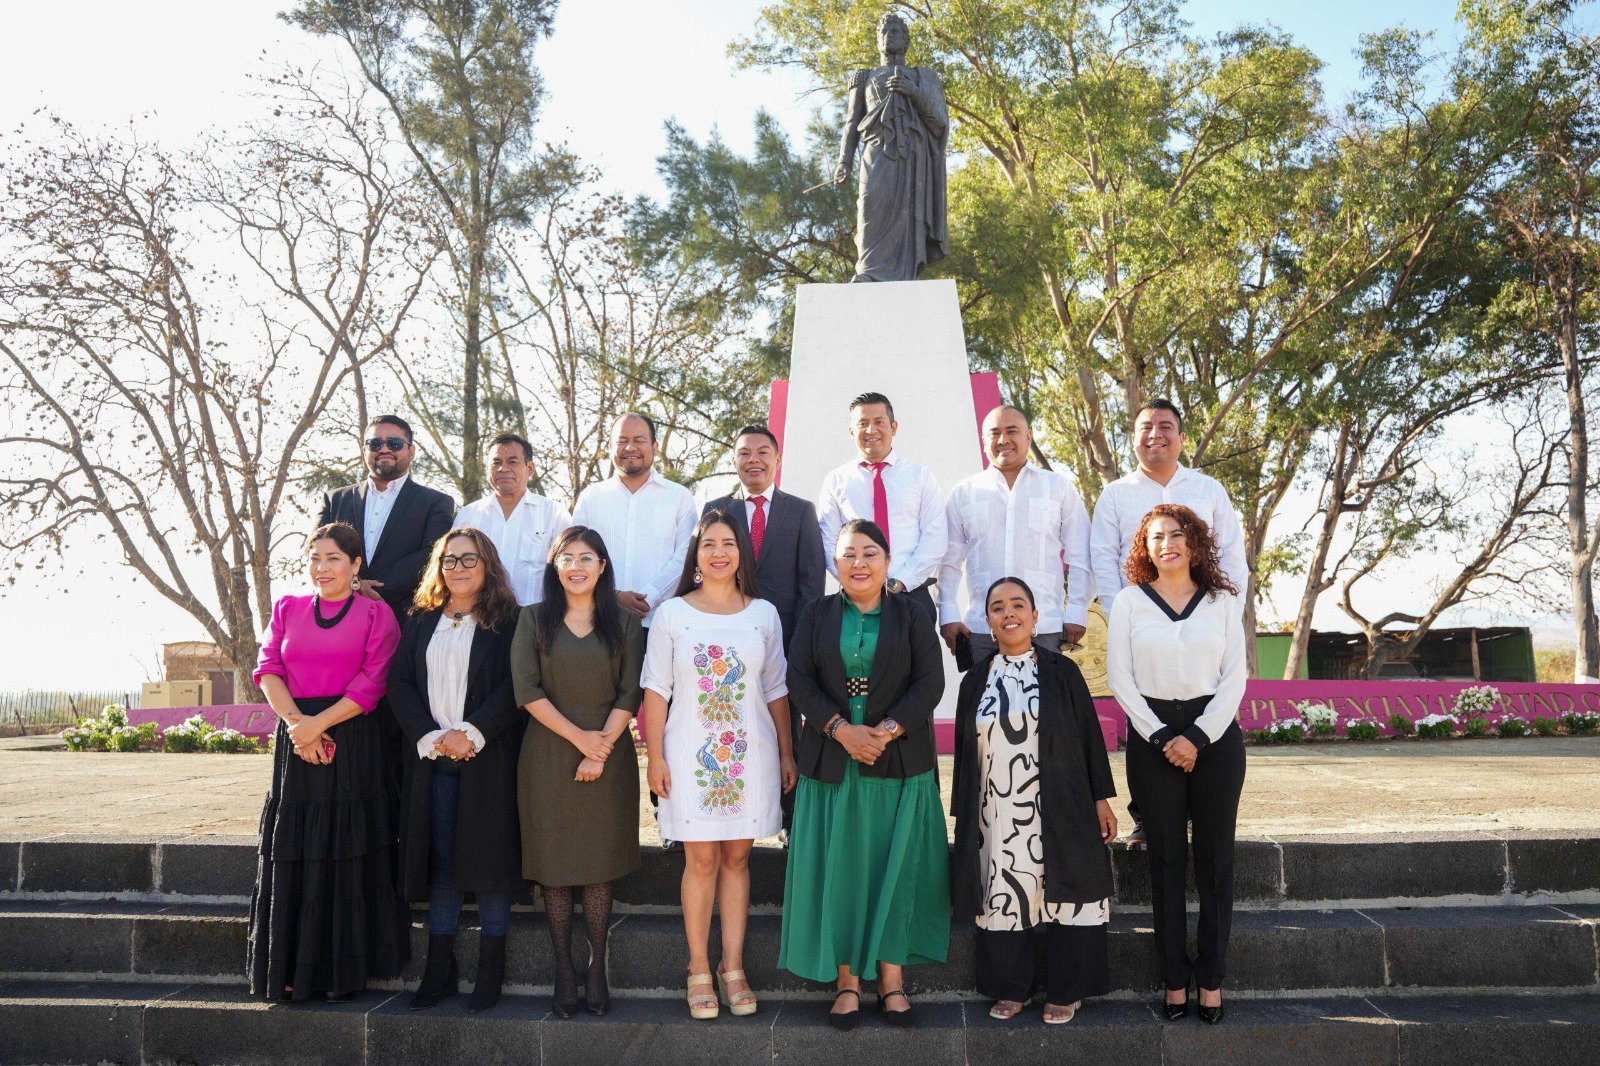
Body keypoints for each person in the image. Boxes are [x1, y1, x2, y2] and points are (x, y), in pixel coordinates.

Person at [779, 519, 949, 1031]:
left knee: (892, 871)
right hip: (832, 764)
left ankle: (891, 980)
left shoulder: (913, 614)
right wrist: (841, 730)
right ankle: (847, 981)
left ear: (887, 561)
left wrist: (884, 732)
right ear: (835, 564)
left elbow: (930, 683)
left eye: (870, 553)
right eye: (848, 554)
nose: (859, 563)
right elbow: (798, 680)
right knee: (842, 873)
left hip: (897, 762)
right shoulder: (816, 614)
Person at [638, 511, 795, 1020]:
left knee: (738, 860)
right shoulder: (671, 614)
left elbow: (776, 688)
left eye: (728, 543)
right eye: (709, 543)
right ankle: (699, 967)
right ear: (696, 555)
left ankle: (733, 966)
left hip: (751, 756)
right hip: (689, 756)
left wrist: (787, 752)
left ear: (741, 553)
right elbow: (655, 690)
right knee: (701, 860)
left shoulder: (764, 615)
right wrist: (655, 757)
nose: (719, 552)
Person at [248, 522, 407, 1001]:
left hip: (354, 740)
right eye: (314, 558)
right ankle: (290, 969)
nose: (322, 567)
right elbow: (268, 669)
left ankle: (341, 975)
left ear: (356, 564)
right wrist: (300, 726)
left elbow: (373, 682)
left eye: (333, 558)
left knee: (345, 850)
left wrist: (319, 725)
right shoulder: (287, 608)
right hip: (297, 741)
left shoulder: (377, 614)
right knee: (297, 850)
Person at [950, 577, 1118, 1025]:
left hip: (1063, 804)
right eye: (998, 607)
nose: (1009, 613)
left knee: (1071, 895)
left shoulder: (1063, 672)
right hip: (998, 810)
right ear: (988, 621)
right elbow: (965, 755)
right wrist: (964, 817)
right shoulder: (975, 681)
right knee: (1006, 894)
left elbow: (1089, 737)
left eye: (1018, 605)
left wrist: (1102, 799)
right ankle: (1012, 988)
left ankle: (1066, 991)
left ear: (1035, 616)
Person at [1106, 504, 1247, 1025]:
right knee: (1165, 862)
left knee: (1215, 860)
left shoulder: (1222, 601)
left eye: (1176, 534)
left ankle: (1211, 980)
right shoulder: (1129, 602)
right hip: (1154, 738)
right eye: (1156, 537)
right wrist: (1165, 736)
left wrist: (1198, 736)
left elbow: (1234, 677)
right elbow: (1120, 678)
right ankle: (1173, 980)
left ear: (1194, 542)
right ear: (1144, 547)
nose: (1167, 544)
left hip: (1215, 738)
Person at [1090, 400, 1245, 847]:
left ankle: (1201, 815)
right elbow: (1102, 556)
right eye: (1145, 427)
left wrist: (1221, 619)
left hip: (1204, 625)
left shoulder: (1208, 489)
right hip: (1142, 627)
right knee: (1146, 721)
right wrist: (1124, 614)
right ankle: (1147, 816)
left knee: (1206, 721)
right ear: (1133, 437)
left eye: (1165, 426)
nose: (1155, 434)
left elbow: (1232, 555)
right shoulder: (1115, 494)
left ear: (1181, 436)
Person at [386, 528, 525, 1014]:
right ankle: (438, 971)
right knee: (442, 864)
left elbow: (514, 686)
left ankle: (490, 972)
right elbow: (400, 683)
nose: (458, 568)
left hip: (488, 759)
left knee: (489, 865)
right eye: (449, 560)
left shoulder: (509, 621)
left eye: (469, 559)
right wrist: (430, 736)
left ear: (487, 565)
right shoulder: (421, 620)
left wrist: (471, 732)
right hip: (433, 760)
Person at [511, 526, 646, 1018]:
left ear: (602, 567)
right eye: (566, 557)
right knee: (556, 867)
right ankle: (563, 969)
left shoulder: (626, 623)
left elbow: (631, 691)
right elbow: (526, 690)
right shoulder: (532, 618)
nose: (576, 566)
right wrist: (580, 740)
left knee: (596, 865)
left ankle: (596, 967)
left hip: (608, 756)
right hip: (548, 754)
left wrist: (599, 747)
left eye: (586, 557)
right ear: (554, 566)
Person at [702, 424, 826, 834]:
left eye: (762, 452)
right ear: (734, 460)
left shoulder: (800, 510)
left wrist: (801, 643)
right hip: (726, 637)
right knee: (726, 724)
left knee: (785, 726)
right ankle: (727, 810)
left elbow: (811, 580)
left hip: (784, 639)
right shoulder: (717, 510)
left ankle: (791, 821)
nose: (753, 460)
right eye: (744, 453)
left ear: (777, 459)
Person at [939, 405, 1094, 665]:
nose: (1003, 440)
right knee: (984, 693)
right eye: (995, 433)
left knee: (1046, 693)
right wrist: (948, 614)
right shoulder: (965, 492)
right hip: (982, 628)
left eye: (1012, 431)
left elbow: (1080, 553)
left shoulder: (1057, 487)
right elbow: (949, 560)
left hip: (1044, 628)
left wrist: (1077, 610)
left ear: (1028, 436)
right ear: (983, 440)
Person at [831, 11, 949, 282]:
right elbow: (852, 124)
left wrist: (914, 92)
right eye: (883, 32)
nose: (888, 36)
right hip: (876, 152)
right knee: (869, 205)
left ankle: (904, 274)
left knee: (908, 217)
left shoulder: (924, 77)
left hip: (913, 157)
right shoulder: (864, 77)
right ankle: (869, 270)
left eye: (894, 31)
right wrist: (843, 162)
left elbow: (940, 123)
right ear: (877, 40)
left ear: (906, 41)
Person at [817, 392, 946, 622]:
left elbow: (935, 536)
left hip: (912, 594)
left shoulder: (920, 476)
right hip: (856, 599)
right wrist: (858, 582)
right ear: (851, 431)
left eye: (879, 422)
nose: (871, 430)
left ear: (893, 427)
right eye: (862, 423)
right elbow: (828, 542)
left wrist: (901, 581)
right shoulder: (836, 480)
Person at [317, 415, 457, 615]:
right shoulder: (334, 500)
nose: (384, 449)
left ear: (411, 451)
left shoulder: (436, 503)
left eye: (394, 443)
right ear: (364, 451)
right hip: (337, 613)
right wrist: (355, 584)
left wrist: (370, 589)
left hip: (404, 617)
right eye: (375, 444)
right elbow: (316, 552)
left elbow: (432, 555)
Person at [455, 432, 573, 607]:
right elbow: (453, 568)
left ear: (530, 468)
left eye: (512, 462)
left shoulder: (554, 513)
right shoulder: (468, 515)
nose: (503, 469)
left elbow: (569, 568)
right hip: (478, 614)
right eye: (496, 463)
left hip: (534, 617)